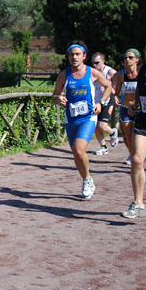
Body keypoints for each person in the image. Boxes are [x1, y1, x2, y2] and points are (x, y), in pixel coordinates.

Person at [51, 41, 112, 199]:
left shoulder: (93, 73)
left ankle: (87, 181)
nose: (74, 57)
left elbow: (109, 87)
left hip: (88, 118)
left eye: (78, 54)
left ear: (84, 56)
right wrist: (58, 99)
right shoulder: (64, 75)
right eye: (71, 54)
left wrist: (101, 103)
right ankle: (87, 179)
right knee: (76, 153)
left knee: (79, 149)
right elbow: (54, 96)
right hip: (71, 119)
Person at [121, 39, 146, 218]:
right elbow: (138, 92)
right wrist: (134, 104)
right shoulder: (142, 70)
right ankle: (139, 204)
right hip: (144, 121)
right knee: (136, 160)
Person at [113, 49, 142, 164]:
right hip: (125, 108)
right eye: (125, 58)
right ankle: (133, 156)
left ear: (137, 60)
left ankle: (145, 151)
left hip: (139, 108)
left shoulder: (142, 74)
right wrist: (115, 98)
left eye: (130, 57)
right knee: (128, 137)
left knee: (139, 136)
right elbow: (116, 92)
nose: (127, 60)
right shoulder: (121, 76)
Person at [91, 52, 118, 155]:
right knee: (95, 126)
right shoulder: (92, 72)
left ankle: (113, 132)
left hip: (107, 101)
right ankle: (103, 147)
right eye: (93, 63)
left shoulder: (110, 72)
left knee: (102, 126)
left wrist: (110, 89)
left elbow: (117, 89)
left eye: (97, 63)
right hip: (96, 102)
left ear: (103, 61)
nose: (95, 65)